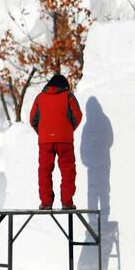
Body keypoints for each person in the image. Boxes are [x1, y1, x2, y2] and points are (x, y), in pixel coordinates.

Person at [28, 73, 83, 210]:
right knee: (67, 170)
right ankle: (67, 202)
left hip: (45, 141)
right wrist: (68, 130)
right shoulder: (68, 96)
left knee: (45, 170)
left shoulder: (40, 98)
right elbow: (78, 116)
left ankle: (46, 203)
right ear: (65, 86)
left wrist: (43, 133)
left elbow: (33, 119)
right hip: (65, 140)